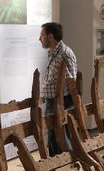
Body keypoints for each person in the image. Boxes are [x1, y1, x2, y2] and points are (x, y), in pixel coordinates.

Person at [39, 22, 77, 157]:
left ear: (50, 37)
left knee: (62, 138)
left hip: (62, 102)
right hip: (52, 102)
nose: (40, 38)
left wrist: (75, 106)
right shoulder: (53, 53)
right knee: (52, 138)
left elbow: (72, 82)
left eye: (42, 35)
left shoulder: (65, 54)